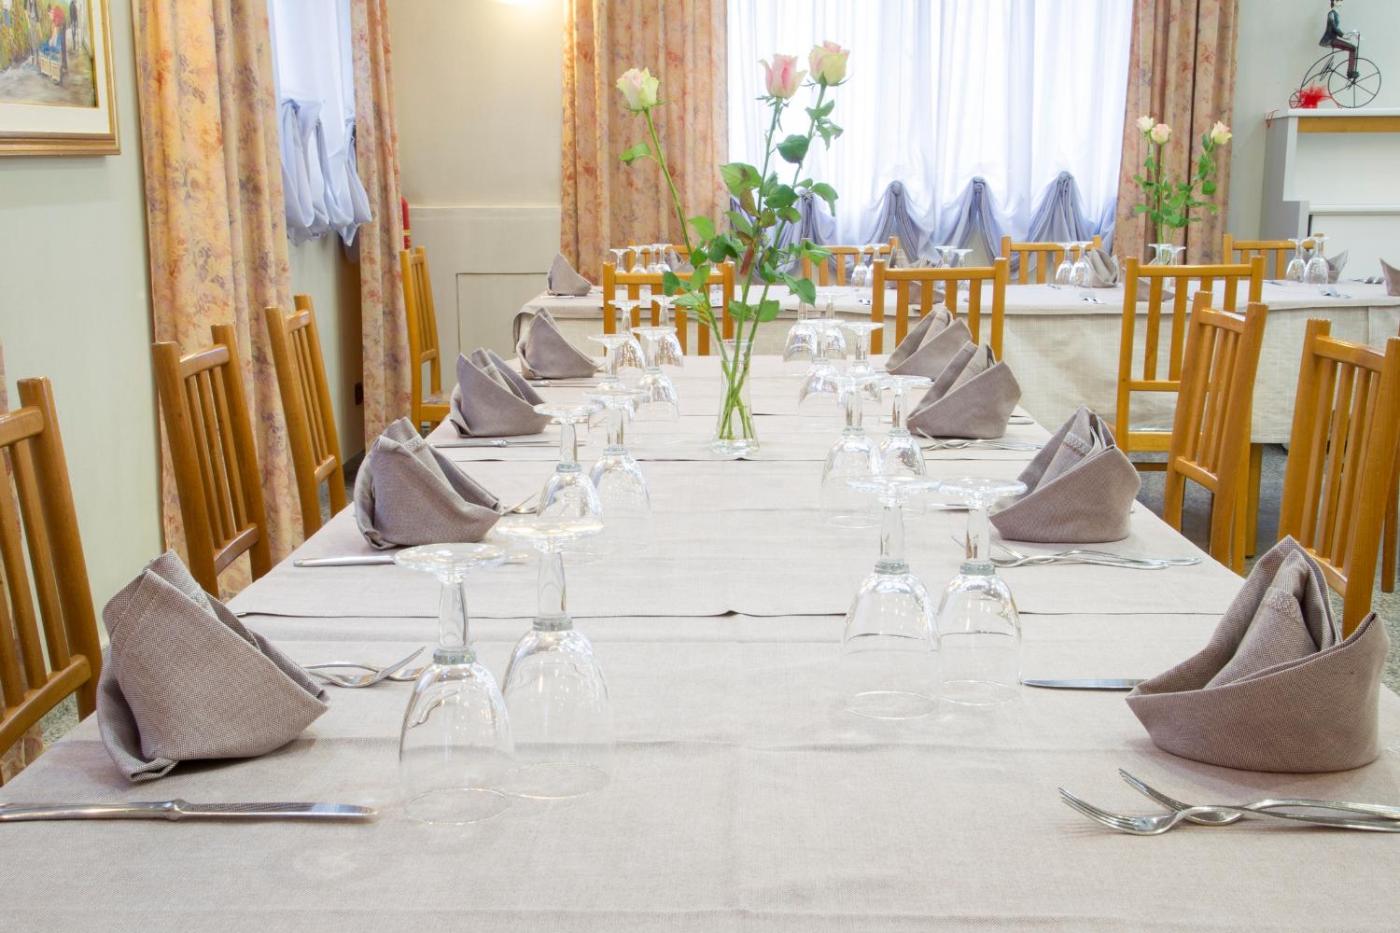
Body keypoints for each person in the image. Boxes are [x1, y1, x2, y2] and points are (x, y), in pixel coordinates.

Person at [1320, 0, 1360, 80]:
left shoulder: (1336, 14)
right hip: (1328, 40)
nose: (1341, 3)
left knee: (1352, 48)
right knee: (1353, 48)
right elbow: (1334, 28)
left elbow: (1337, 29)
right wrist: (1343, 36)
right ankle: (1350, 72)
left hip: (1332, 39)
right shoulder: (1331, 14)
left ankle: (1350, 72)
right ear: (1334, 2)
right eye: (1339, 1)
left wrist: (1348, 35)